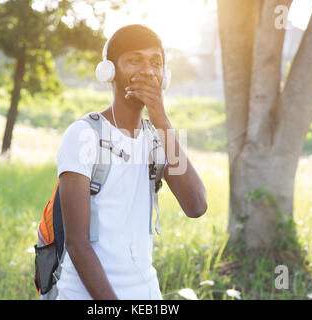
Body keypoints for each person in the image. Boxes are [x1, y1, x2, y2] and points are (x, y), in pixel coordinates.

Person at [56, 24, 207, 300]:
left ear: (165, 76)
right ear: (109, 71)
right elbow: (77, 243)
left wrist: (160, 118)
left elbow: (196, 205)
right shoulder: (83, 135)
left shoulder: (158, 137)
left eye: (156, 62)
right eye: (134, 60)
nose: (148, 71)